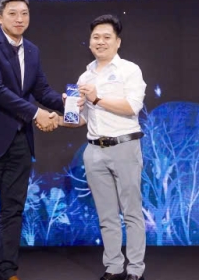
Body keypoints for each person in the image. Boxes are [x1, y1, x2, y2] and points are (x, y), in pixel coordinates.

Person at [0, 0, 65, 280]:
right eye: (12, 13)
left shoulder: (32, 50)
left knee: (13, 209)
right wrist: (36, 113)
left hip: (20, 140)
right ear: (0, 18)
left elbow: (41, 89)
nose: (19, 19)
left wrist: (66, 104)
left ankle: (7, 271)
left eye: (24, 14)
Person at [59, 14, 147, 280]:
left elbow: (132, 107)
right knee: (106, 214)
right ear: (89, 42)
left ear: (117, 42)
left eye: (107, 37)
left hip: (124, 145)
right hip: (94, 150)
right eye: (95, 37)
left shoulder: (130, 70)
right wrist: (66, 114)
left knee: (131, 212)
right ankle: (113, 266)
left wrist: (97, 98)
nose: (100, 41)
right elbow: (84, 118)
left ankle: (135, 269)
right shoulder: (85, 76)